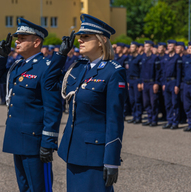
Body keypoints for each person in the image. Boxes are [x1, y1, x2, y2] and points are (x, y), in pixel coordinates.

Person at [0, 18, 66, 192]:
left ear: (36, 42)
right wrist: (2, 56)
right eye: (17, 37)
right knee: (24, 187)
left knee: (40, 188)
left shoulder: (47, 68)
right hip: (17, 136)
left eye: (22, 37)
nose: (17, 41)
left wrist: (48, 142)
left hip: (35, 141)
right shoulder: (18, 65)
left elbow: (53, 108)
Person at [59, 14, 127, 192]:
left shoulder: (113, 72)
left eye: (86, 36)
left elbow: (115, 119)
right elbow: (49, 85)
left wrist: (112, 160)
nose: (80, 40)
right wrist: (61, 55)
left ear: (101, 40)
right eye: (80, 37)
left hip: (95, 157)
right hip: (74, 151)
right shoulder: (79, 68)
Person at [161, 40, 182, 129]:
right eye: (168, 46)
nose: (168, 47)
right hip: (166, 82)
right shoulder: (166, 58)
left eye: (170, 46)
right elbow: (163, 72)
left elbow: (179, 73)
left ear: (174, 47)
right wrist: (163, 83)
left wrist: (177, 85)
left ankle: (175, 122)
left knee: (174, 103)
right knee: (168, 103)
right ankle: (169, 121)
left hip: (173, 82)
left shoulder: (177, 58)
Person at [140, 41, 161, 127]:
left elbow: (158, 72)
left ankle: (154, 120)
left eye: (147, 46)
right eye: (144, 46)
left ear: (151, 48)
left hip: (152, 83)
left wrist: (156, 83)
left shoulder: (155, 58)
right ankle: (149, 118)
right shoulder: (143, 57)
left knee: (153, 102)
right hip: (145, 83)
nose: (145, 48)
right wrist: (141, 82)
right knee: (146, 102)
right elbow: (141, 71)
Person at [127, 42, 143, 124]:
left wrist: (140, 82)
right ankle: (134, 116)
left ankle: (138, 117)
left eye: (133, 47)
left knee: (137, 100)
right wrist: (128, 82)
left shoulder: (140, 58)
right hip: (131, 80)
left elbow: (141, 72)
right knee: (132, 100)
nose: (131, 48)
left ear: (137, 48)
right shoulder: (130, 58)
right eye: (130, 47)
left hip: (137, 80)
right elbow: (128, 71)